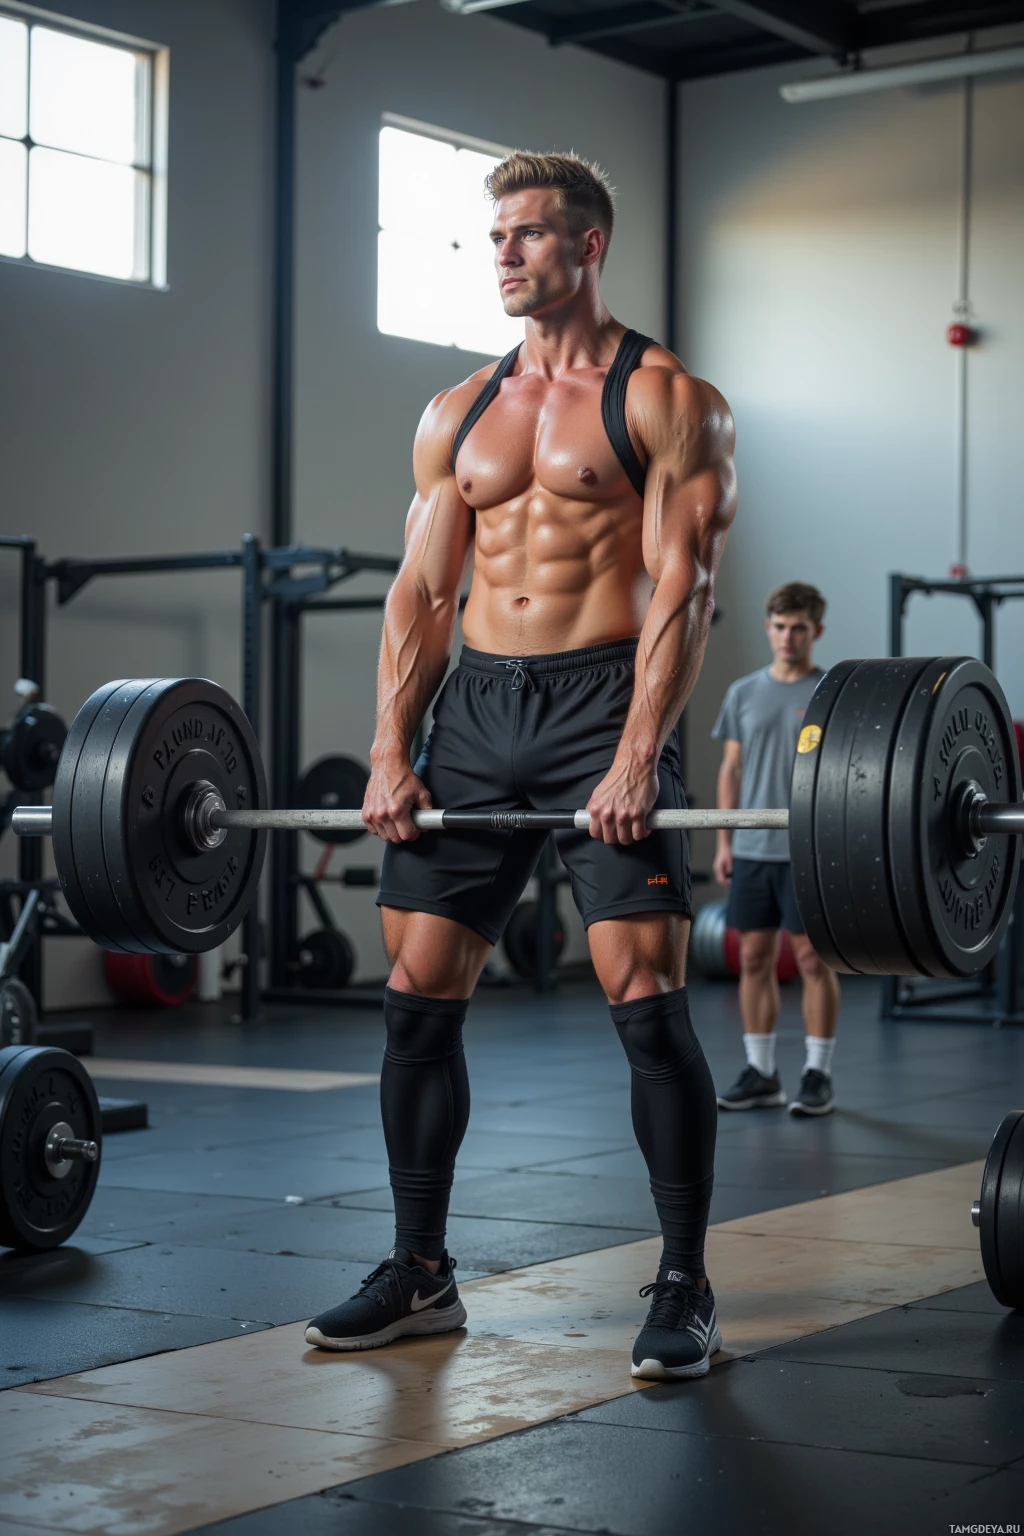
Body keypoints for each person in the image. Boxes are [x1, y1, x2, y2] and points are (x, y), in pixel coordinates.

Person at [305, 151, 736, 1381]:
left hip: (608, 698)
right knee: (414, 995)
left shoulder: (667, 399)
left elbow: (684, 585)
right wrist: (392, 744)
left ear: (588, 246)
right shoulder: (459, 411)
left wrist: (640, 749)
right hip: (479, 713)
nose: (504, 255)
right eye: (494, 236)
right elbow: (424, 592)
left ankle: (685, 1283)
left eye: (529, 236)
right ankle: (422, 1273)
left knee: (642, 997)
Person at [712, 583, 841, 1117]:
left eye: (799, 628)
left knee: (812, 958)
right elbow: (732, 769)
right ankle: (762, 1073)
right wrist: (724, 839)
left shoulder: (831, 691)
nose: (788, 637)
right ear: (769, 628)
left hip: (807, 850)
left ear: (816, 631)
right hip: (751, 848)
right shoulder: (743, 692)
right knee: (753, 958)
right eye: (780, 626)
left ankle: (818, 1074)